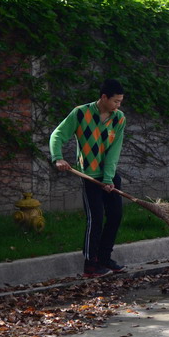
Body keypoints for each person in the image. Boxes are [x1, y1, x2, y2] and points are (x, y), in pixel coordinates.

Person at [50, 79, 127, 278]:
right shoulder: (80, 113)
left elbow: (114, 152)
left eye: (120, 102)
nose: (118, 105)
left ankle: (104, 258)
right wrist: (58, 158)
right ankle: (90, 264)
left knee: (116, 216)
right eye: (116, 101)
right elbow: (57, 135)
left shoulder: (119, 119)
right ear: (104, 97)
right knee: (96, 219)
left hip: (108, 177)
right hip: (89, 176)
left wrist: (109, 179)